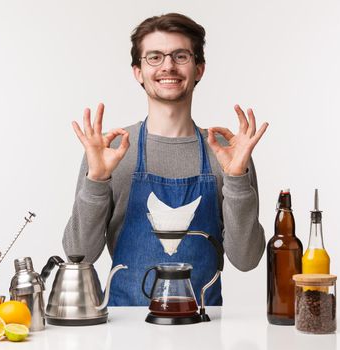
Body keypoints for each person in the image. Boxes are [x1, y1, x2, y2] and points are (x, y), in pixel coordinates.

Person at [63, 13, 268, 306]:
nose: (168, 66)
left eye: (180, 56)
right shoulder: (112, 151)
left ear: (199, 69)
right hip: (125, 329)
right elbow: (78, 253)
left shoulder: (227, 152)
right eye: (155, 57)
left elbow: (247, 260)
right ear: (138, 71)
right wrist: (96, 181)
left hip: (203, 329)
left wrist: (237, 179)